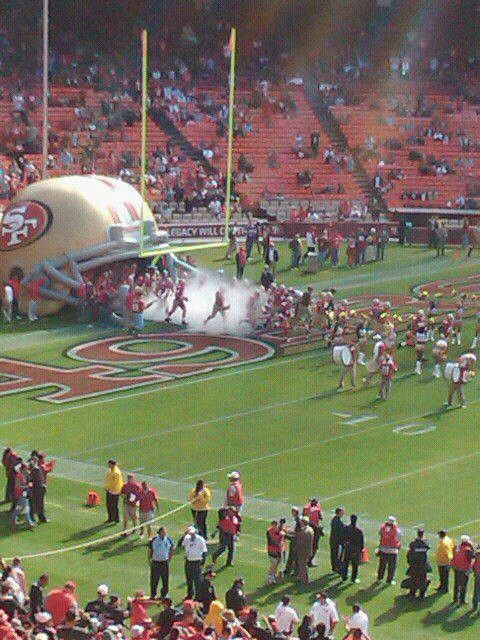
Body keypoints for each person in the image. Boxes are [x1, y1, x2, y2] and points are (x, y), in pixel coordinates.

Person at [181, 525, 208, 599]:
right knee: (189, 580)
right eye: (190, 534)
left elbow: (204, 551)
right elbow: (180, 544)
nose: (192, 535)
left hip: (197, 562)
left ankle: (198, 596)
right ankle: (190, 595)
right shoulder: (186, 538)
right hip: (189, 561)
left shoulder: (200, 539)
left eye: (193, 533)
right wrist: (184, 535)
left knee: (197, 580)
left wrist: (203, 562)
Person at [149, 526, 175, 599]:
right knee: (154, 579)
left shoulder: (168, 539)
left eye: (165, 532)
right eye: (163, 532)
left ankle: (164, 594)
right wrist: (150, 559)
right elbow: (150, 550)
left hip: (164, 562)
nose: (165, 533)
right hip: (156, 562)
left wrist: (169, 558)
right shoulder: (154, 540)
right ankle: (153, 594)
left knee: (165, 579)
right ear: (160, 532)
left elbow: (172, 548)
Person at [376, 516, 402, 585]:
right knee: (392, 566)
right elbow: (399, 539)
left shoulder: (383, 528)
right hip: (393, 551)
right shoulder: (397, 530)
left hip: (383, 549)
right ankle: (389, 580)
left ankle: (379, 578)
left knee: (382, 565)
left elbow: (380, 535)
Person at [405, 529, 430, 599]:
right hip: (423, 565)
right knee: (423, 579)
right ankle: (422, 595)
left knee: (414, 579)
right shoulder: (425, 543)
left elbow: (410, 552)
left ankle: (412, 593)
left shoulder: (413, 543)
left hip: (414, 565)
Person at [451, 534, 475, 605]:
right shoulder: (467, 549)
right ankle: (462, 600)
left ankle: (455, 598)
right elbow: (472, 556)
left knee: (456, 583)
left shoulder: (457, 547)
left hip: (456, 567)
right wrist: (472, 547)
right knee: (463, 585)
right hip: (463, 568)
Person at [341, 515, 364, 584]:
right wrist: (360, 550)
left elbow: (343, 538)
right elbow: (361, 543)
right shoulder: (359, 531)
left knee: (346, 563)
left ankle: (344, 577)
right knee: (355, 565)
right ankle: (353, 578)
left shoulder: (346, 528)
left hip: (348, 548)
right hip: (356, 550)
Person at [303, 498, 323, 567]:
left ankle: (306, 560)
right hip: (313, 528)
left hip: (309, 528)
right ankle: (309, 561)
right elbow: (321, 517)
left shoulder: (307, 508)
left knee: (308, 545)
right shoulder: (316, 507)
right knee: (314, 546)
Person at [29, 454, 49, 523]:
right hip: (38, 488)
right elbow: (38, 479)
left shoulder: (36, 468)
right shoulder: (36, 469)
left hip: (37, 488)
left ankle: (39, 518)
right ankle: (40, 518)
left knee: (37, 504)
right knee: (39, 504)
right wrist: (43, 486)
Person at [266, 519, 286, 585]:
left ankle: (273, 577)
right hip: (272, 550)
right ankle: (269, 578)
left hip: (278, 550)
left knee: (277, 564)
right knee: (273, 564)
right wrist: (278, 543)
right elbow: (271, 541)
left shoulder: (280, 531)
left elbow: (282, 538)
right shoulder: (269, 531)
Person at [296, 516, 314, 585]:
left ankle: (305, 580)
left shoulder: (305, 532)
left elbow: (301, 543)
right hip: (307, 550)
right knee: (303, 565)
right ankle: (302, 577)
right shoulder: (309, 529)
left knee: (303, 565)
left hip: (303, 551)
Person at [104, 459, 123, 524]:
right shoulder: (111, 471)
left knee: (114, 505)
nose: (108, 465)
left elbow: (114, 483)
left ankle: (116, 518)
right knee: (109, 505)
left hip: (114, 491)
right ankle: (110, 518)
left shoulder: (116, 473)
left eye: (109, 464)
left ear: (112, 464)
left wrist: (107, 487)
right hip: (110, 490)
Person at [330, 507, 346, 574]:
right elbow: (340, 531)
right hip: (336, 541)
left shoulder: (335, 519)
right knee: (337, 555)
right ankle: (337, 568)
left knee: (334, 554)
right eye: (342, 512)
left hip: (334, 540)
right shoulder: (337, 521)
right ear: (339, 513)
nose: (343, 513)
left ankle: (334, 567)